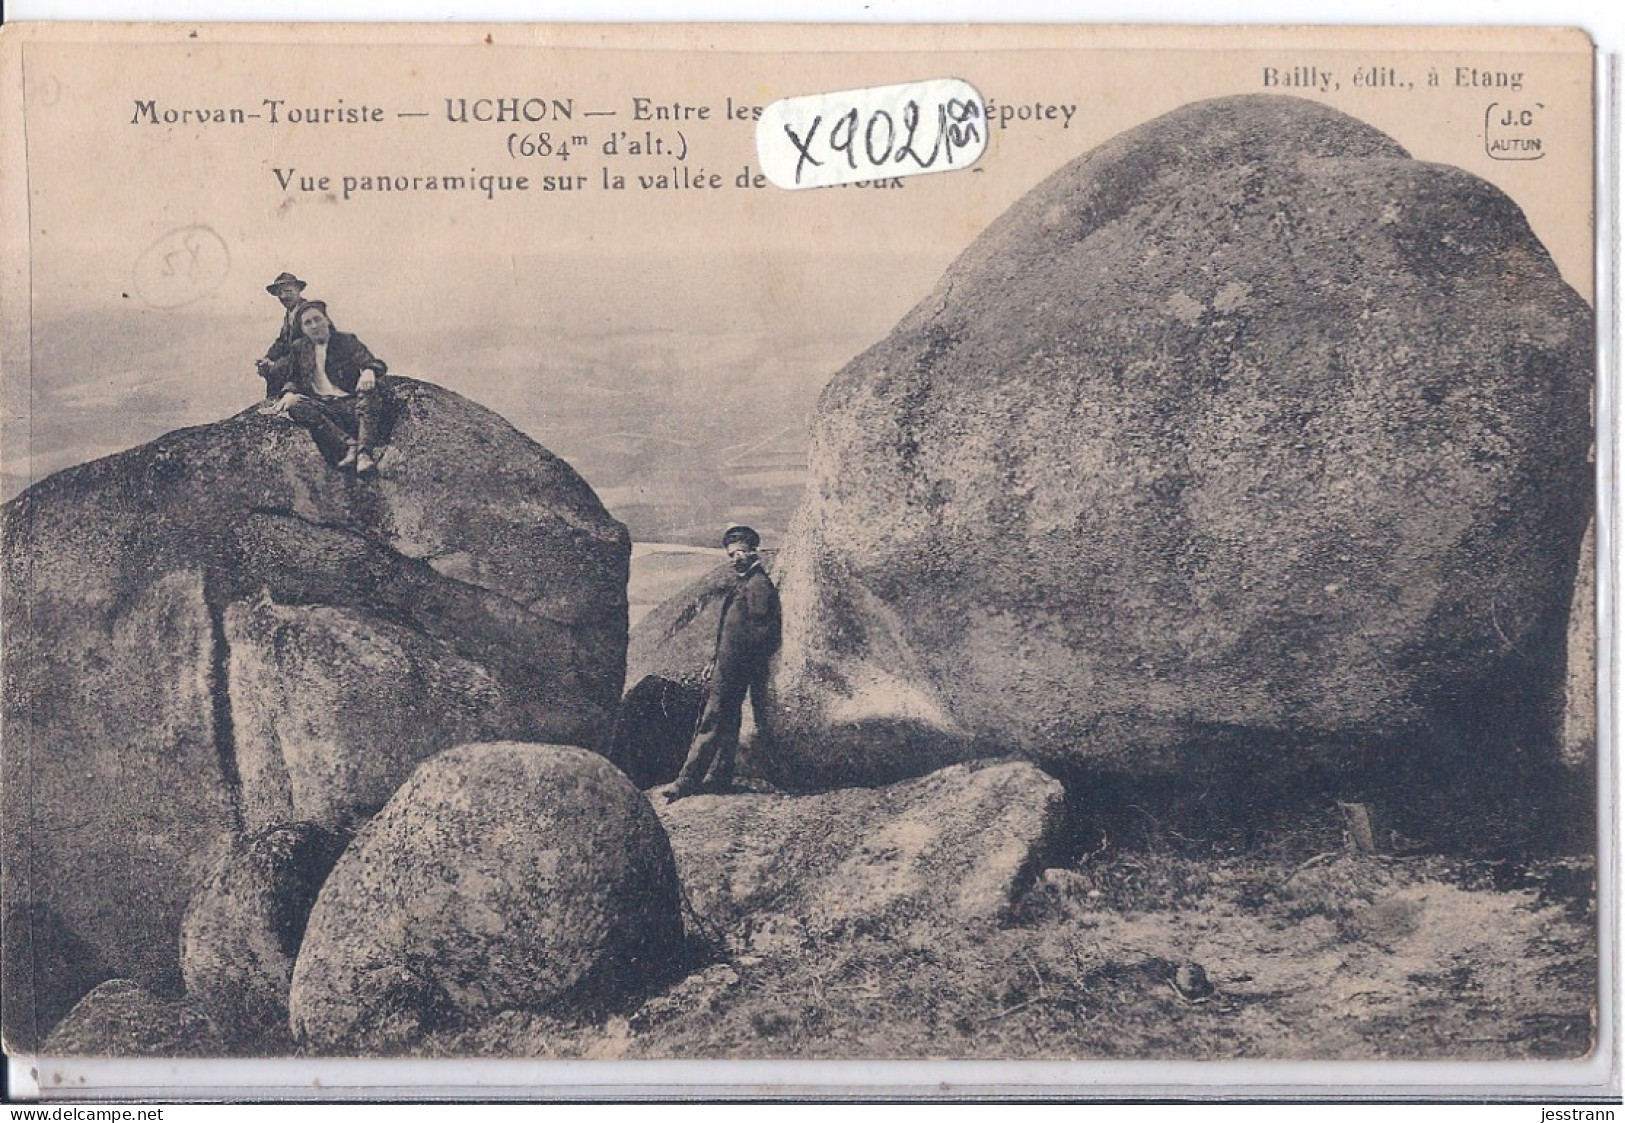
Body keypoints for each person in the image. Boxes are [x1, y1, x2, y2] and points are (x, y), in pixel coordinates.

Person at [664, 525, 781, 801]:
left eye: (741, 552)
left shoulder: (759, 586)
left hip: (737, 667)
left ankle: (686, 781)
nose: (736, 559)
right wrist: (714, 659)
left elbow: (763, 631)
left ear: (754, 551)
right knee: (728, 720)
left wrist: (740, 662)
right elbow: (729, 630)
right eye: (732, 555)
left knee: (712, 718)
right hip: (728, 664)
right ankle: (719, 775)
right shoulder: (745, 583)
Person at [261, 300, 389, 474]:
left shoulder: (346, 341)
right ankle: (348, 445)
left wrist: (368, 371)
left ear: (327, 320)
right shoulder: (300, 348)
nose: (314, 325)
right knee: (295, 404)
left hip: (351, 405)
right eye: (307, 323)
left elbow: (373, 362)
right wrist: (289, 392)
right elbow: (294, 378)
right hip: (325, 407)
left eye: (317, 319)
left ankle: (364, 454)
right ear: (303, 329)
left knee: (370, 394)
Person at [254, 272, 312, 394]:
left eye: (288, 291)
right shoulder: (290, 314)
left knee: (275, 370)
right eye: (279, 293)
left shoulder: (309, 312)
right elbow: (282, 342)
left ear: (298, 291)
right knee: (268, 368)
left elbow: (307, 346)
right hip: (297, 361)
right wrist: (267, 358)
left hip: (314, 364)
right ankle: (274, 405)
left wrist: (277, 364)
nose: (283, 296)